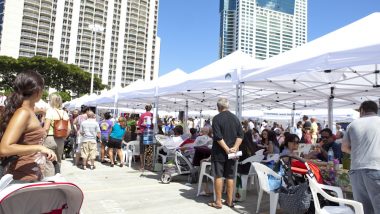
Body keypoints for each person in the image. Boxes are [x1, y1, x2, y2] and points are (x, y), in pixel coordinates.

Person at [0, 70, 56, 181]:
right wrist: (39, 147)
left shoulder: (28, 111)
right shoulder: (23, 113)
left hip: (30, 173)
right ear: (37, 91)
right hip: (22, 176)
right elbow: (4, 148)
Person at [342, 100, 380, 214]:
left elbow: (344, 148)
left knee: (363, 209)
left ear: (362, 110)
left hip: (356, 170)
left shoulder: (353, 124)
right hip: (376, 167)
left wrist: (358, 152)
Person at [208, 98, 243, 209]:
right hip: (232, 152)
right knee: (230, 176)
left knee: (218, 176)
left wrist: (227, 149)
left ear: (218, 107)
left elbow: (218, 137)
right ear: (228, 106)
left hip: (219, 152)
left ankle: (218, 202)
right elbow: (241, 135)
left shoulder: (217, 119)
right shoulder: (235, 118)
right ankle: (229, 201)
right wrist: (235, 148)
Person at [43, 93, 71, 171]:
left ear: (51, 101)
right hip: (61, 139)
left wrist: (42, 139)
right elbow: (69, 129)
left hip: (50, 138)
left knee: (49, 160)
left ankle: (49, 179)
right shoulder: (64, 113)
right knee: (58, 161)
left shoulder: (50, 111)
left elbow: (46, 128)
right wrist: (64, 138)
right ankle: (57, 176)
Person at [137, 104, 153, 170]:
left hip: (143, 133)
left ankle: (142, 166)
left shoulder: (142, 115)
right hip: (150, 133)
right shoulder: (153, 115)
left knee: (142, 149)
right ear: (151, 108)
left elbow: (138, 125)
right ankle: (149, 165)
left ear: (145, 108)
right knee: (149, 149)